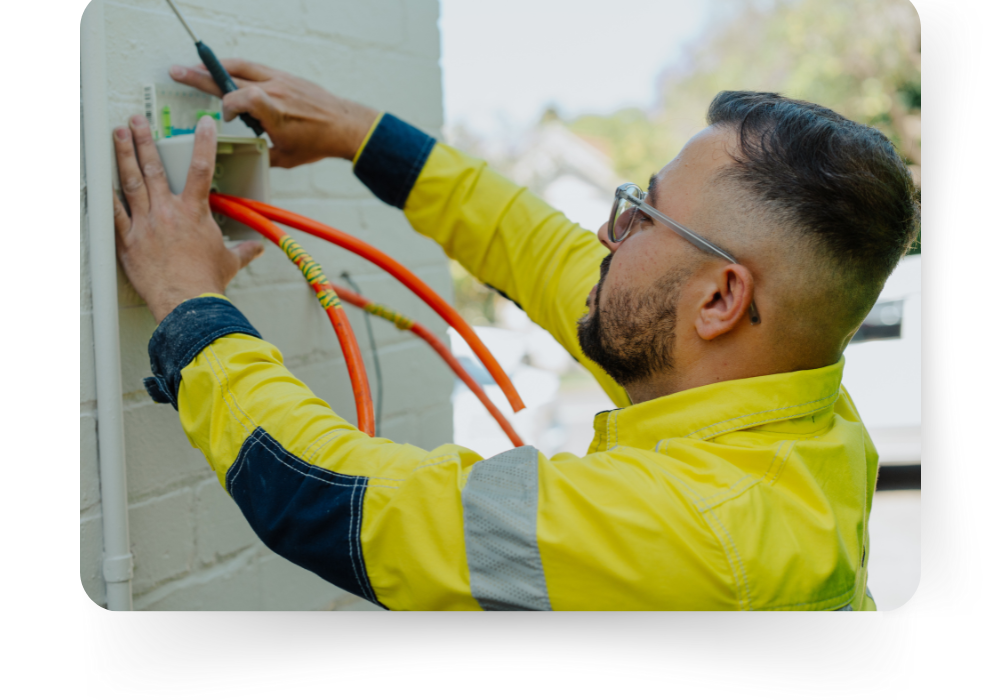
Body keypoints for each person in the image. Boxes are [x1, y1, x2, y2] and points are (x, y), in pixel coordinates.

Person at [112, 58, 920, 611]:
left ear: (719, 298)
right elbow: (535, 246)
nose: (608, 234)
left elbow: (329, 500)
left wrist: (187, 298)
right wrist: (355, 130)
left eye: (643, 214)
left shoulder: (703, 534)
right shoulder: (770, 396)